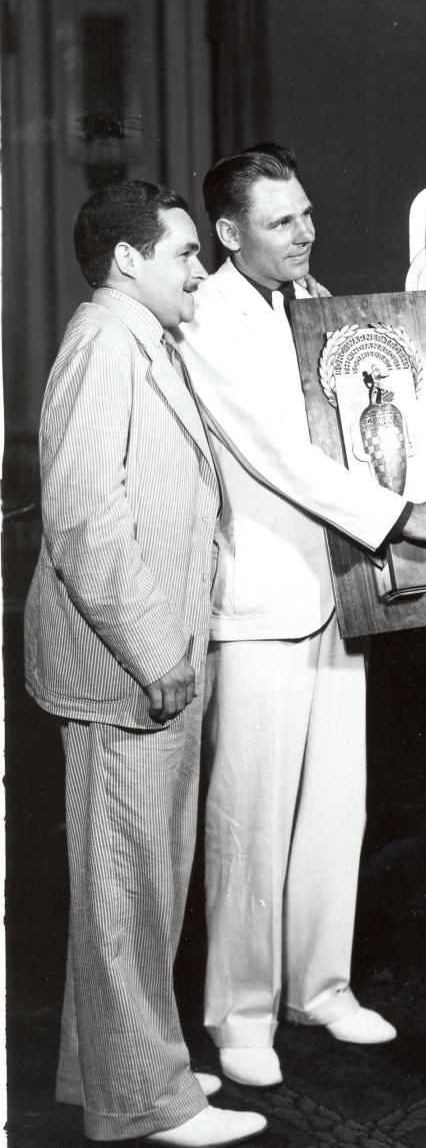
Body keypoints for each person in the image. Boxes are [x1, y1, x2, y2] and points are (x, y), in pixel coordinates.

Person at [173, 143, 426, 1089]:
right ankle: (241, 1010)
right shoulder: (206, 320)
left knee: (335, 807)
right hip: (261, 601)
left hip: (343, 592)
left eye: (306, 212)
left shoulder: (319, 305)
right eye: (280, 221)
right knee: (250, 818)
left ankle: (322, 983)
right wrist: (401, 519)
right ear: (228, 234)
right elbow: (279, 454)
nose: (305, 231)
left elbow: (381, 432)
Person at [23, 182, 266, 1147]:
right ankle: (144, 1104)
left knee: (139, 880)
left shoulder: (137, 340)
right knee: (128, 885)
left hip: (148, 659)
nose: (199, 268)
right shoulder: (103, 345)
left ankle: (116, 1068)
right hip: (128, 666)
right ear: (128, 261)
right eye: (182, 254)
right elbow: (85, 517)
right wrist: (157, 648)